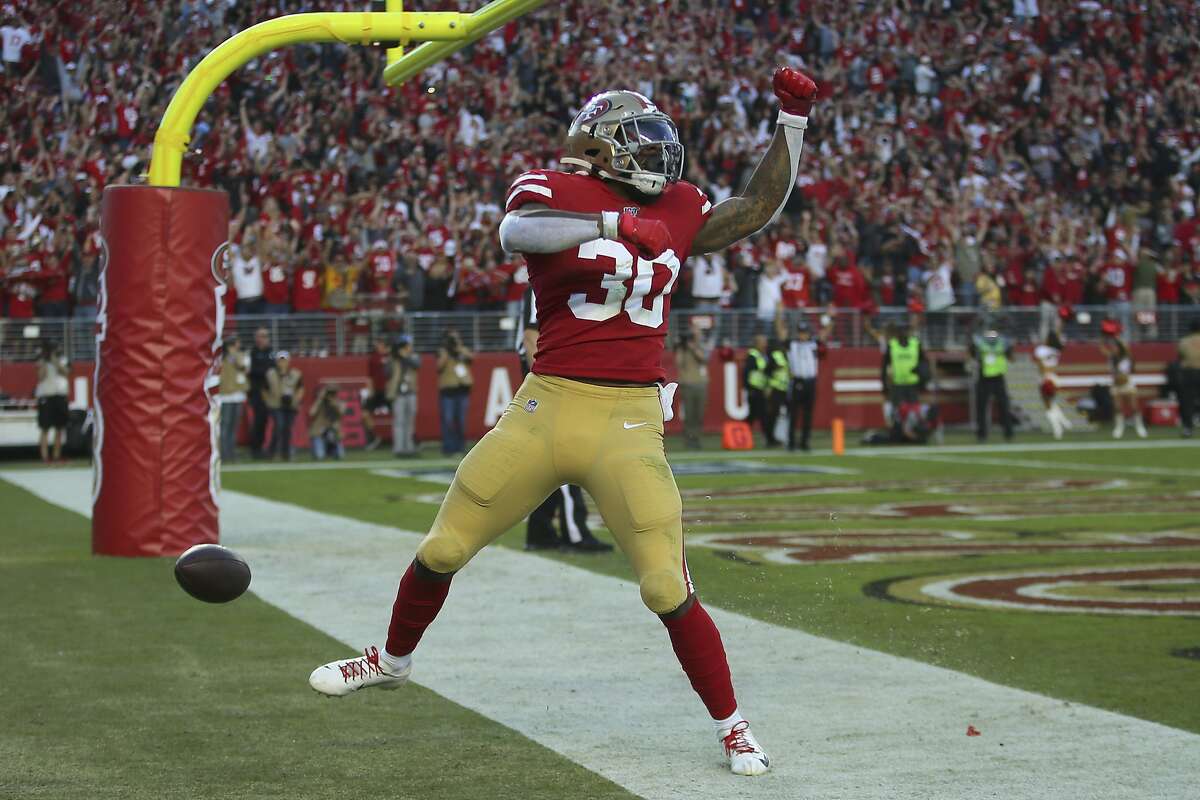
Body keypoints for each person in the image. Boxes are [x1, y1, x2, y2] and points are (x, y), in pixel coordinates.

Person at [310, 68, 820, 777]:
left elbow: (755, 208)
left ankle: (733, 728)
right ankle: (390, 662)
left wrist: (791, 120)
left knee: (666, 587)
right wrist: (612, 223)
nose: (659, 155)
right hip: (545, 406)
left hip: (630, 421)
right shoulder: (551, 188)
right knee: (444, 548)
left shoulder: (678, 204)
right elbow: (515, 230)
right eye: (641, 141)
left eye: (660, 140)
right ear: (601, 146)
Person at [516, 286, 611, 552]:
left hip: (547, 378)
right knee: (568, 454)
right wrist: (549, 381)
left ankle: (540, 531)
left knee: (546, 459)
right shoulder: (541, 281)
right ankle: (575, 533)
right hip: (551, 381)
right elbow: (530, 336)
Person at [777, 312, 832, 452]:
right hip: (797, 381)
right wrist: (779, 316)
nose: (803, 335)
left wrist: (830, 318)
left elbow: (825, 334)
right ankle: (791, 443)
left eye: (805, 332)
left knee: (808, 414)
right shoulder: (792, 344)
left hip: (810, 382)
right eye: (801, 332)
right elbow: (781, 334)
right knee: (793, 414)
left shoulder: (813, 344)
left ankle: (805, 442)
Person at [1100, 321, 1146, 439]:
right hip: (1116, 385)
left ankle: (1139, 426)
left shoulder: (1126, 357)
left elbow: (1125, 347)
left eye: (1115, 347)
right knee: (1117, 407)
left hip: (1127, 384)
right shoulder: (1111, 357)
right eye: (1113, 347)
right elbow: (1101, 348)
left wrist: (1116, 335)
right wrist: (1104, 335)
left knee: (1134, 406)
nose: (1113, 348)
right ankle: (1119, 427)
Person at [969, 325, 1014, 442]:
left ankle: (1008, 432)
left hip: (998, 377)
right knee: (982, 407)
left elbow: (1010, 356)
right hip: (984, 377)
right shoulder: (980, 342)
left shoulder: (1001, 342)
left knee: (1003, 406)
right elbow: (972, 353)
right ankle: (982, 434)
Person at [882, 323, 927, 437]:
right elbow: (884, 366)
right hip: (897, 384)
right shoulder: (892, 345)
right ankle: (898, 433)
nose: (904, 334)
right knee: (898, 412)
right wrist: (884, 384)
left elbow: (923, 363)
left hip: (913, 384)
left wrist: (923, 380)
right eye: (901, 332)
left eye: (906, 331)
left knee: (913, 412)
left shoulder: (916, 344)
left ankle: (914, 433)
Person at [435, 329, 473, 455]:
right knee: (448, 420)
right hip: (448, 391)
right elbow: (439, 367)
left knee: (461, 420)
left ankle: (460, 446)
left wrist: (459, 348)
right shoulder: (442, 351)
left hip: (462, 390)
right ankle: (448, 447)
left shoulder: (462, 349)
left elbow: (471, 358)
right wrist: (447, 351)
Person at [674, 324, 710, 450]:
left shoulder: (701, 345)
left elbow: (704, 358)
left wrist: (693, 347)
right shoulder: (682, 348)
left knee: (699, 414)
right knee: (689, 414)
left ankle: (697, 438)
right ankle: (689, 440)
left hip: (700, 383)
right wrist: (682, 346)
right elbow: (679, 363)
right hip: (687, 384)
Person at [1033, 327, 1072, 440]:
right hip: (1054, 377)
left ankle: (1058, 428)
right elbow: (1054, 366)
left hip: (1045, 377)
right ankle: (1064, 421)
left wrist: (1044, 377)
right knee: (1052, 402)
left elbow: (1041, 365)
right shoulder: (1056, 350)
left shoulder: (1041, 349)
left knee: (1047, 405)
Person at [265, 351, 304, 460]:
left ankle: (285, 454)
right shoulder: (271, 373)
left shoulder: (295, 373)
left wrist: (296, 399)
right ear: (277, 361)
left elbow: (300, 388)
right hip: (276, 404)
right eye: (280, 360)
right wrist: (268, 401)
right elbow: (264, 389)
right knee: (279, 426)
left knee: (287, 429)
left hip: (291, 405)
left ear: (288, 361)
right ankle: (271, 452)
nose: (282, 362)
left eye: (284, 360)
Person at [35, 340, 69, 464]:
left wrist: (55, 361)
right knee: (45, 428)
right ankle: (45, 457)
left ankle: (56, 456)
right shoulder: (42, 361)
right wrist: (45, 361)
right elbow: (40, 376)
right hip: (46, 397)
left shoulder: (63, 359)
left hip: (60, 396)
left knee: (59, 428)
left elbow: (66, 372)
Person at [387, 335, 421, 457]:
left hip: (411, 392)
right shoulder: (393, 358)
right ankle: (399, 448)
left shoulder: (413, 356)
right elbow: (387, 371)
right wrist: (397, 356)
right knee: (399, 422)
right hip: (398, 393)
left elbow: (416, 365)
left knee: (409, 422)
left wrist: (404, 356)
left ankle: (408, 448)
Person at [217, 338, 249, 462]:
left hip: (238, 395)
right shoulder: (221, 357)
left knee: (233, 426)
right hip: (225, 396)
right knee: (225, 425)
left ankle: (231, 453)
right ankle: (224, 454)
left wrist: (235, 356)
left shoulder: (241, 355)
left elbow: (244, 368)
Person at [247, 327, 274, 458]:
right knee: (258, 420)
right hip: (257, 392)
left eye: (264, 336)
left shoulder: (272, 351)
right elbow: (251, 371)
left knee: (265, 421)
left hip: (271, 392)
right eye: (259, 336)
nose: (261, 338)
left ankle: (266, 448)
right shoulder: (252, 352)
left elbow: (279, 364)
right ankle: (255, 449)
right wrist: (265, 371)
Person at [743, 332, 773, 447]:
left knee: (755, 415)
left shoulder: (762, 355)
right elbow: (746, 373)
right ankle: (767, 439)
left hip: (760, 389)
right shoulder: (753, 355)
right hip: (755, 390)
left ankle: (745, 436)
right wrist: (748, 388)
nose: (765, 344)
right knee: (760, 415)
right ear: (757, 344)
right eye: (763, 342)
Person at [363, 339, 392, 450]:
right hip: (376, 391)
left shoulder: (390, 356)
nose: (378, 345)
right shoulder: (373, 358)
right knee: (364, 413)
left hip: (388, 391)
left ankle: (409, 438)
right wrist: (370, 390)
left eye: (380, 343)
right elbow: (369, 376)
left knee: (400, 414)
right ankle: (373, 437)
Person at [308, 385, 346, 460]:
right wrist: (320, 399)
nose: (330, 396)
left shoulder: (339, 403)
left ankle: (333, 452)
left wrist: (334, 403)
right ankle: (318, 451)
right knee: (320, 456)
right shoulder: (320, 403)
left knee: (340, 456)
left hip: (333, 433)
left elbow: (342, 412)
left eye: (333, 393)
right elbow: (311, 413)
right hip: (320, 432)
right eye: (329, 393)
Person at [1178, 320, 1200, 438]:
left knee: (1187, 401)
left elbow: (1180, 356)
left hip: (1189, 372)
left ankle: (1188, 428)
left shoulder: (1184, 341)